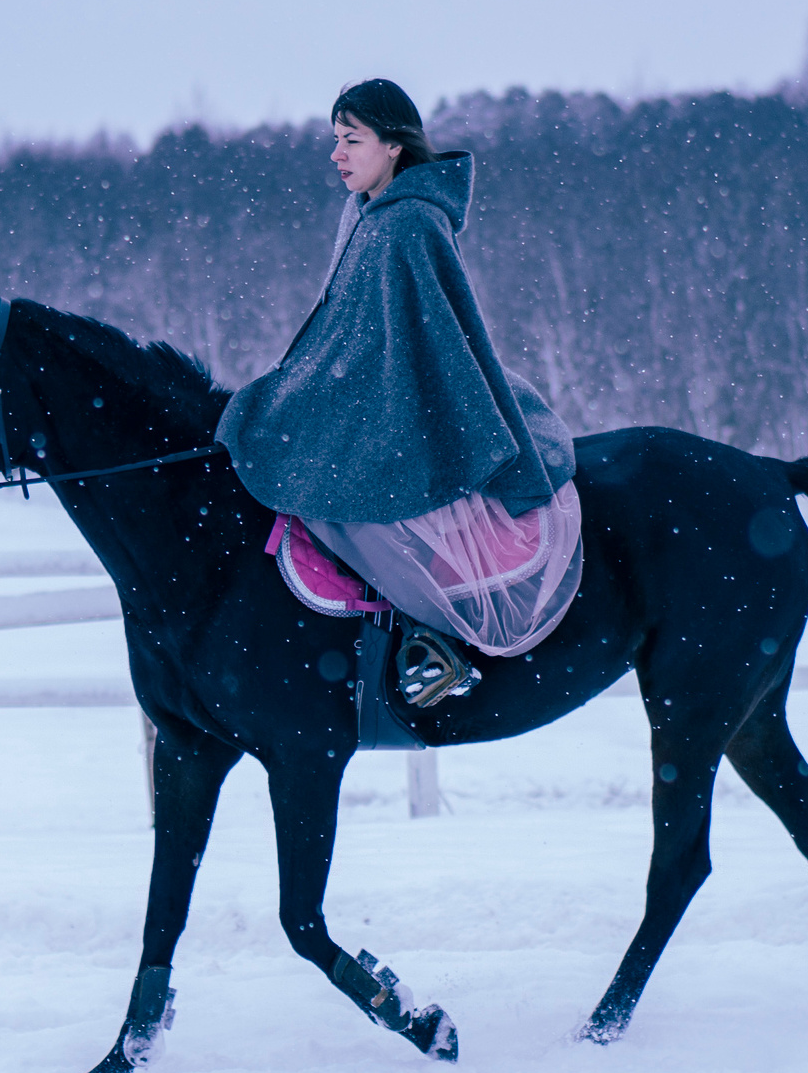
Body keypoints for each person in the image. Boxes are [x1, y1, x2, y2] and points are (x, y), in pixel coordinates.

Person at [219, 79, 584, 705]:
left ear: (393, 146)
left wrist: (337, 401)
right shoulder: (365, 216)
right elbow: (347, 330)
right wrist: (294, 388)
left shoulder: (409, 225)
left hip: (409, 407)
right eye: (336, 140)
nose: (337, 155)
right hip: (370, 401)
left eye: (351, 140)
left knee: (349, 509)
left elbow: (429, 343)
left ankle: (433, 642)